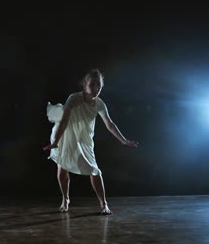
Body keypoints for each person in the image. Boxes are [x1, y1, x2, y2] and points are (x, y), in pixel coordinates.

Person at [43, 69, 138, 215]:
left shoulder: (99, 104)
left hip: (84, 138)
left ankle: (103, 204)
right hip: (66, 133)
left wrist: (123, 140)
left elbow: (110, 124)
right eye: (92, 84)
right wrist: (56, 141)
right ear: (84, 85)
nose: (96, 88)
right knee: (63, 168)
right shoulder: (74, 98)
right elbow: (64, 120)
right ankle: (65, 199)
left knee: (94, 170)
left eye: (99, 85)